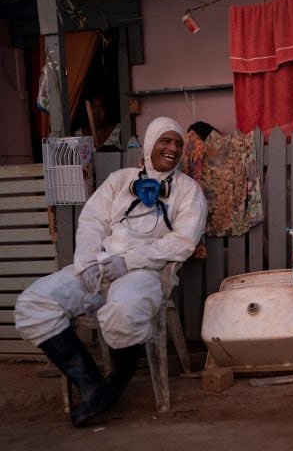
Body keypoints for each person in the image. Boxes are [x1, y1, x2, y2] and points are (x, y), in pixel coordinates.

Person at [15, 116, 207, 427]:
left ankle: (119, 377)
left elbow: (182, 242)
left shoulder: (188, 191)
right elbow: (92, 221)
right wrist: (88, 262)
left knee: (123, 308)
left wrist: (129, 261)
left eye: (178, 143)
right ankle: (91, 384)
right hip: (102, 264)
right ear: (149, 144)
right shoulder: (120, 181)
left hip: (145, 271)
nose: (172, 148)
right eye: (165, 140)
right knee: (34, 302)